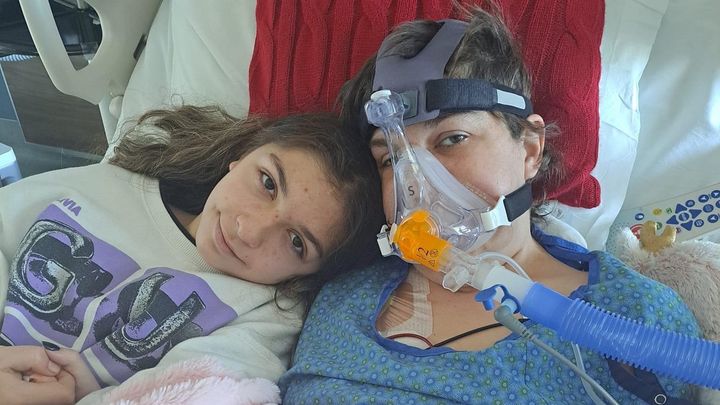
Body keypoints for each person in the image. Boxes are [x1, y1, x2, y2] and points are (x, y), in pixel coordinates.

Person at [280, 6, 702, 404]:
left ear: (530, 149)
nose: (417, 184)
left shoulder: (632, 315)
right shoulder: (342, 301)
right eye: (391, 159)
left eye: (452, 139)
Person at [0, 105, 384, 404]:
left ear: (311, 273)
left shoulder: (264, 317)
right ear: (242, 155)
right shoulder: (109, 186)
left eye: (296, 242)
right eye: (267, 182)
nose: (249, 230)